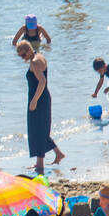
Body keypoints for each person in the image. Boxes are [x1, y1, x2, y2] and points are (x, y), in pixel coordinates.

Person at [18, 39, 63, 174]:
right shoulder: (40, 56)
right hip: (41, 98)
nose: (22, 58)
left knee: (37, 130)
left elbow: (42, 82)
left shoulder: (35, 62)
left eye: (23, 55)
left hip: (39, 99)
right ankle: (50, 157)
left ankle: (41, 164)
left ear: (29, 50)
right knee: (40, 129)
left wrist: (34, 100)